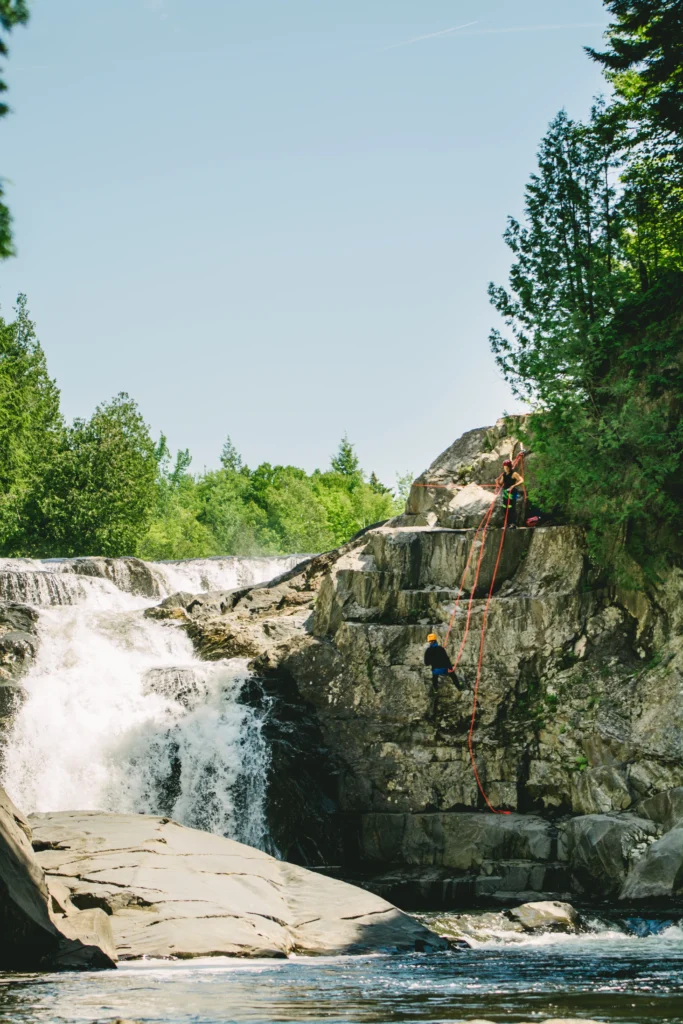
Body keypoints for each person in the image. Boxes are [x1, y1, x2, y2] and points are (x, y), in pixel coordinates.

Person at [496, 458, 524, 529]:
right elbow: (500, 484)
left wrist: (514, 485)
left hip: (513, 492)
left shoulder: (514, 474)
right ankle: (507, 524)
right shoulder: (504, 474)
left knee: (512, 507)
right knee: (505, 508)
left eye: (507, 468)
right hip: (506, 492)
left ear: (510, 467)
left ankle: (513, 523)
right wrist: (497, 482)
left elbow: (521, 480)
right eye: (505, 468)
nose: (506, 469)